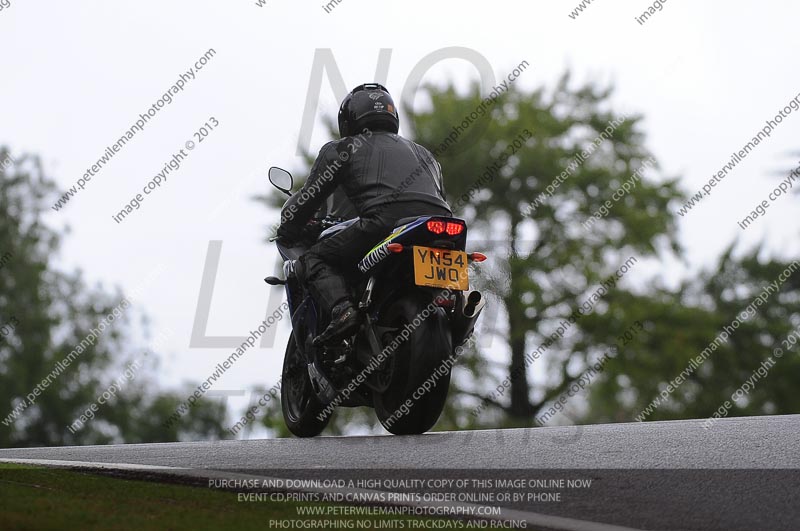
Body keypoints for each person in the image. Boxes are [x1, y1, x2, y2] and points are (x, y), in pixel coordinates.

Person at [277, 83, 452, 345]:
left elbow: (308, 199)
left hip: (383, 222)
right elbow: (439, 197)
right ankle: (459, 310)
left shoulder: (342, 148)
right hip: (440, 223)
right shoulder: (425, 154)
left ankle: (344, 311)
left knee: (312, 259)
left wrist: (289, 230)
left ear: (349, 118)